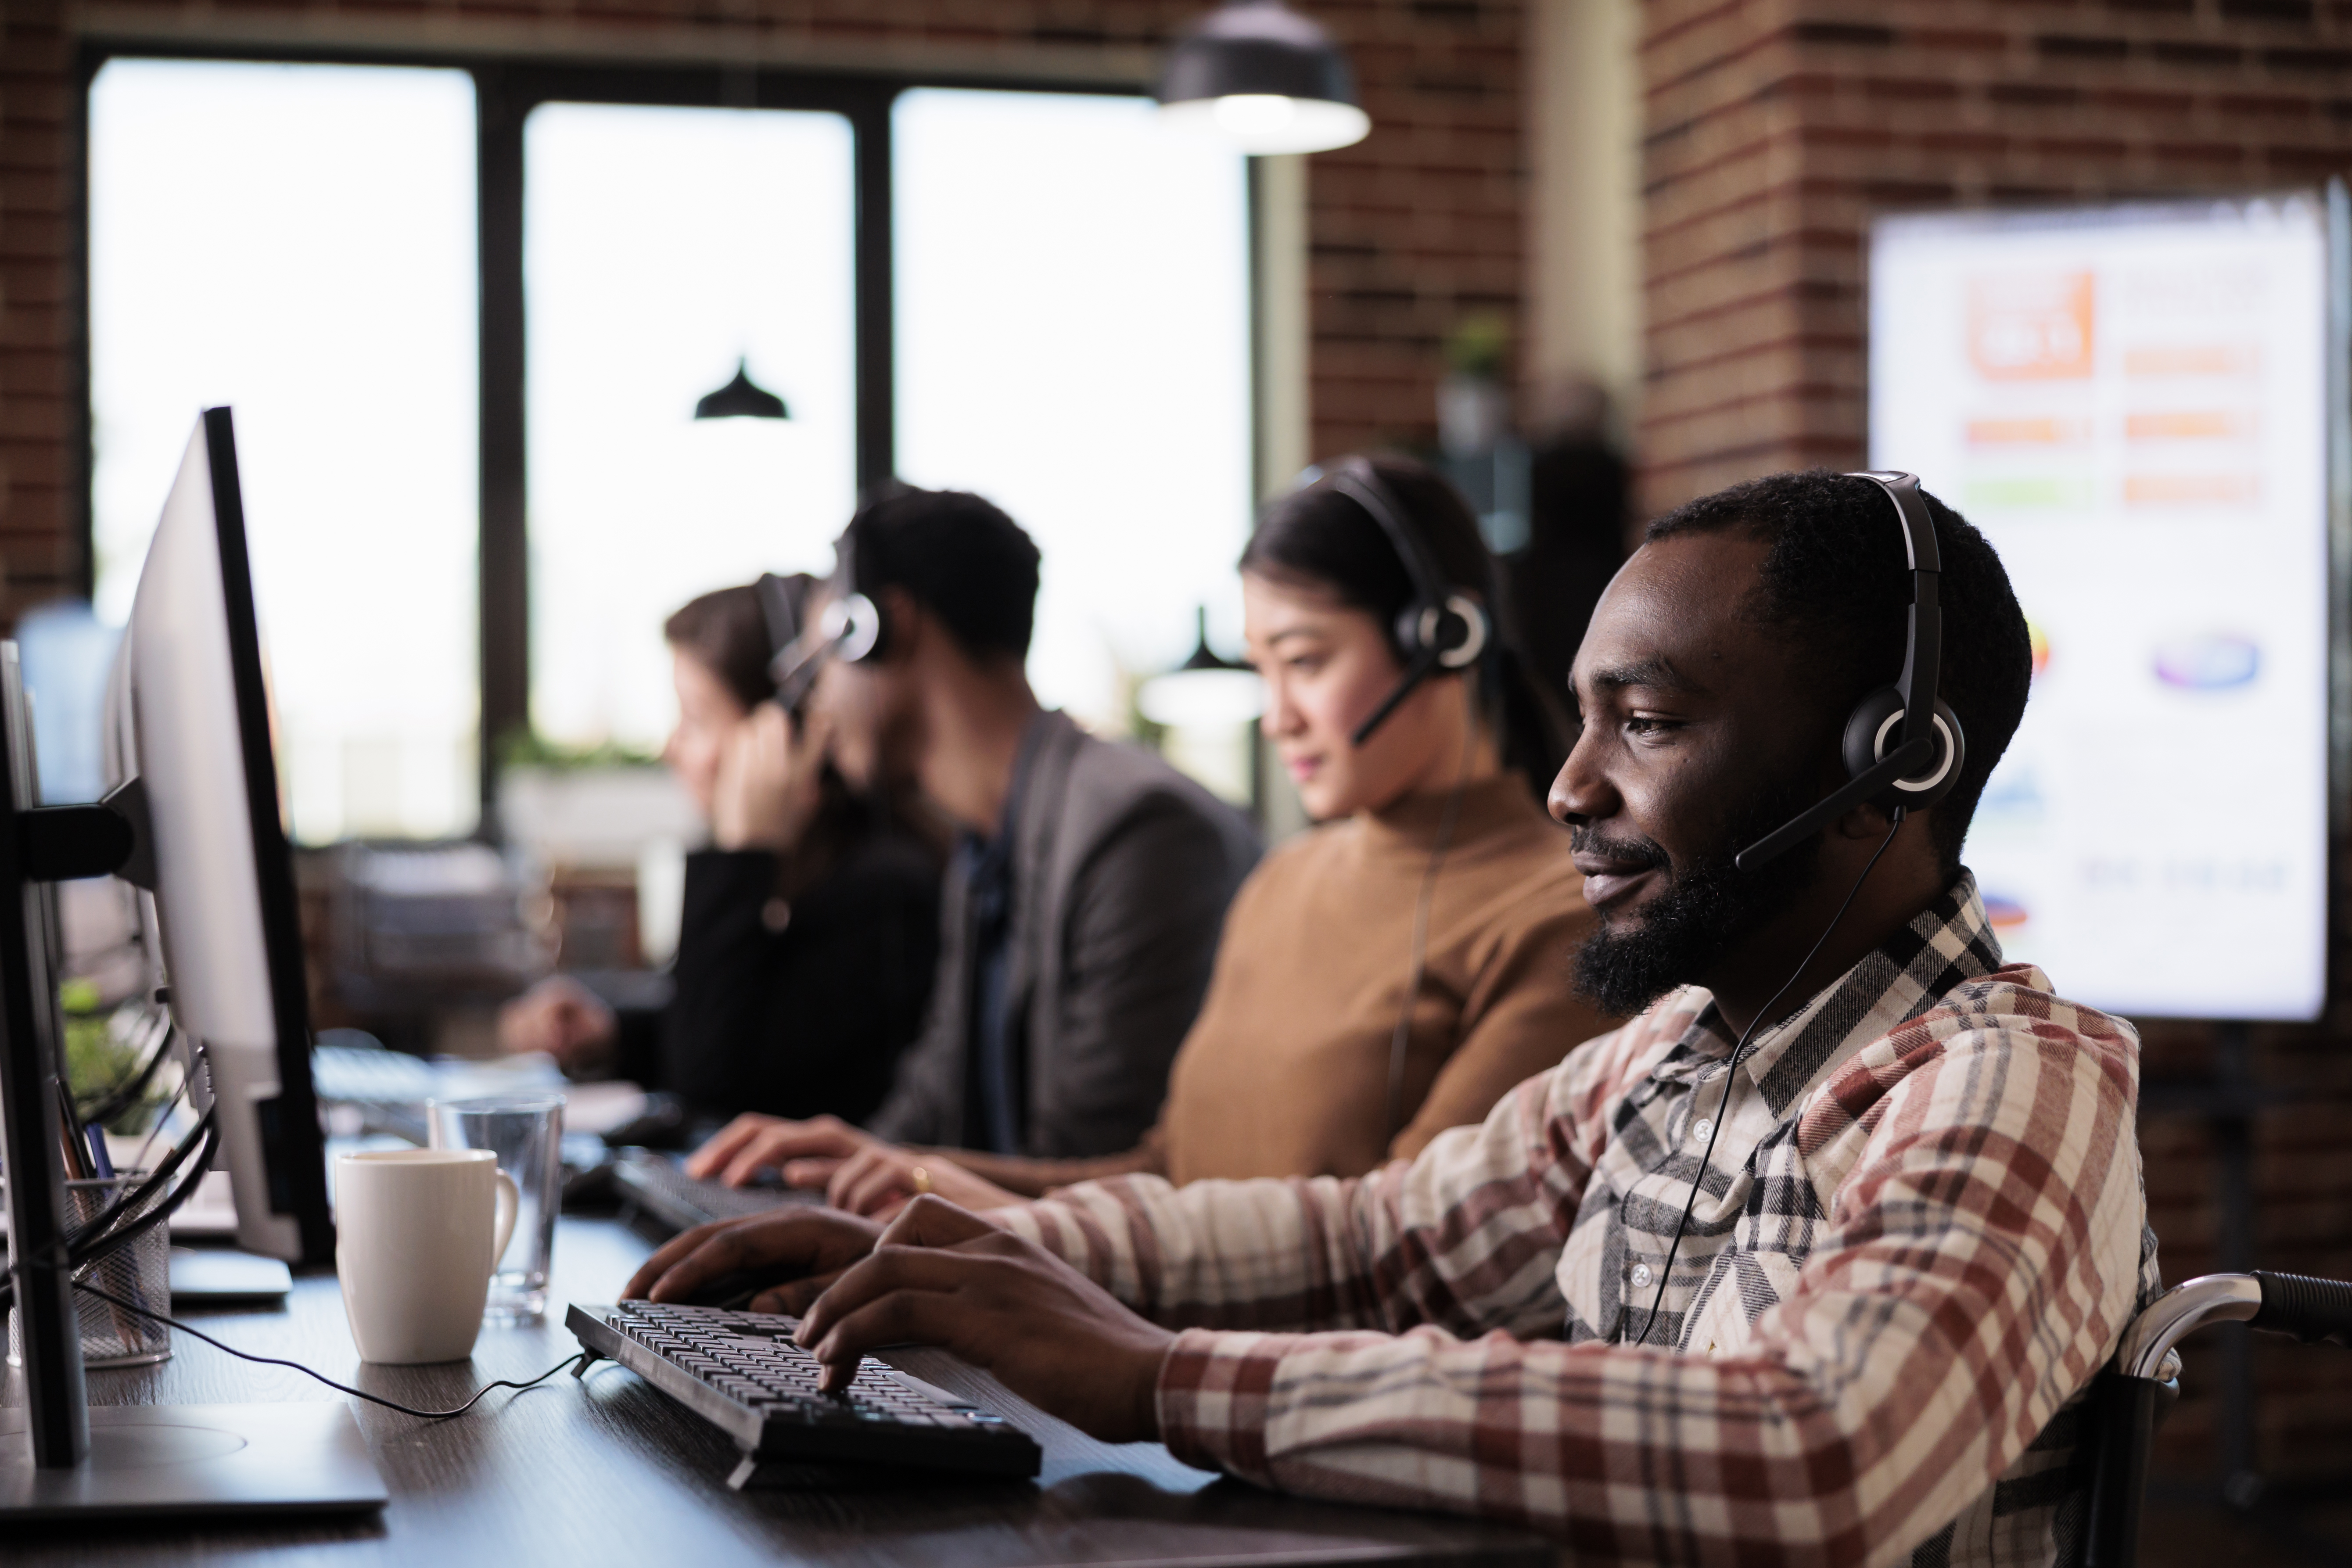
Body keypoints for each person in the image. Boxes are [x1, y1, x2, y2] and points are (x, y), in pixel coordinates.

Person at [629, 470, 2162, 1566]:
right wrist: (969, 1252)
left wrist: (1162, 1379)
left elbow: (1814, 1450)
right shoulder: (1668, 1055)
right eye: (1578, 717)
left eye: (1645, 722)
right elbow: (1377, 1242)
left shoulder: (2010, 1084)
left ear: (1883, 760)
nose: (1568, 784)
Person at [772, 456, 1613, 1218]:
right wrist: (903, 1171)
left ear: (1441, 640)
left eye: (1307, 660)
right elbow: (1164, 1173)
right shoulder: (1280, 883)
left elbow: (1392, 1245)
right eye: (1261, 670)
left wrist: (989, 1215)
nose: (1277, 718)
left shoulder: (1555, 916)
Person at [684, 486, 1260, 1174]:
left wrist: (898, 1180)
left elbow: (1090, 1161)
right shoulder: (984, 850)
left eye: (821, 664)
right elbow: (928, 1110)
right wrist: (827, 1178)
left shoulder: (1136, 832)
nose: (820, 707)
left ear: (885, 629)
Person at [498, 578, 942, 1124]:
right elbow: (745, 1025)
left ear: (787, 732)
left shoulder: (885, 893)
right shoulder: (798, 877)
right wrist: (609, 1032)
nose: (670, 746)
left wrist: (739, 853)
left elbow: (710, 1077)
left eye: (696, 718)